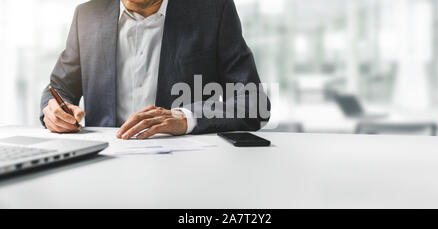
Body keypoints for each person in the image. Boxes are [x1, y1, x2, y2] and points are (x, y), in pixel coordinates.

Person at [40, 0, 270, 140]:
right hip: (103, 164)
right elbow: (58, 89)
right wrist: (53, 111)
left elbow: (253, 103)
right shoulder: (87, 15)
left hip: (186, 168)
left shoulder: (213, 10)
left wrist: (185, 118)